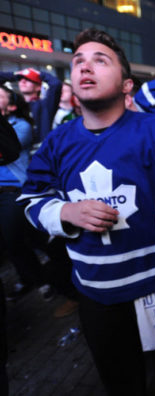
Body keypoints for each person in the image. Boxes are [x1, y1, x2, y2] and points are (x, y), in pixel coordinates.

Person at [18, 28, 155, 395]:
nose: (85, 67)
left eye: (100, 60)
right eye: (78, 61)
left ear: (127, 84)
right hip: (96, 294)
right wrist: (66, 212)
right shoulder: (57, 141)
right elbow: (29, 201)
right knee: (120, 382)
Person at [0, 86, 54, 302]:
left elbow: (10, 152)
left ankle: (51, 277)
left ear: (11, 102)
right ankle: (32, 279)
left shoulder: (19, 126)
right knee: (13, 245)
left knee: (27, 238)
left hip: (13, 190)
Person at [0, 67, 62, 143]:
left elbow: (56, 84)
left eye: (28, 80)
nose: (23, 81)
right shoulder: (15, 104)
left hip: (39, 151)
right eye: (20, 79)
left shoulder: (45, 105)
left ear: (38, 87)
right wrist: (14, 74)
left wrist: (38, 73)